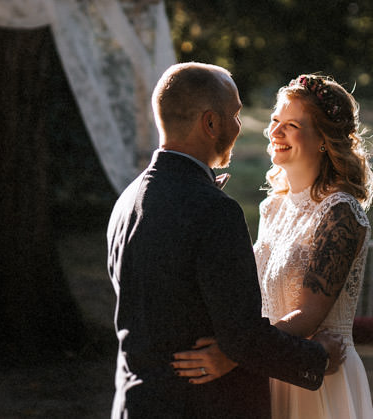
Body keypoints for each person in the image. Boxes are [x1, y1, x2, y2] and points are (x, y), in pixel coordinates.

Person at [107, 62, 344, 419]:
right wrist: (319, 357)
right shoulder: (214, 211)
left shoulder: (127, 200)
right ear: (211, 122)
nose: (239, 126)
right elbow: (242, 337)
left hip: (135, 404)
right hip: (202, 407)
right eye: (235, 114)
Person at [173, 73, 373, 418]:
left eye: (292, 125)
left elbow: (308, 316)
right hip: (268, 366)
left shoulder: (340, 212)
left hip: (317, 375)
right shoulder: (272, 207)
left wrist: (232, 353)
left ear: (324, 139)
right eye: (275, 121)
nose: (276, 132)